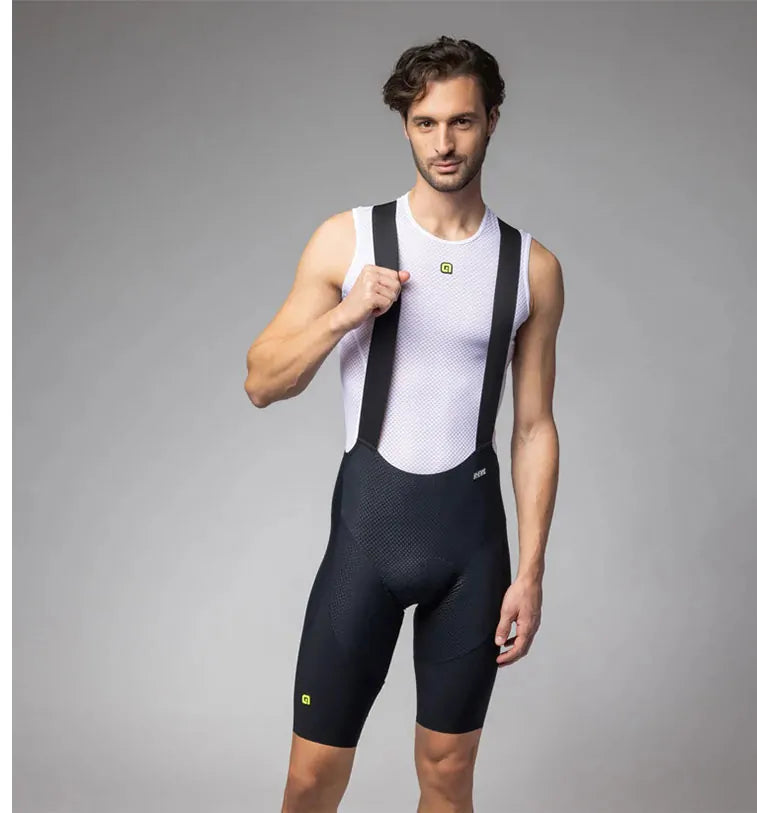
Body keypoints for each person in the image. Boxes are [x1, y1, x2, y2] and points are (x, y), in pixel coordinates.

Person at [244, 35, 563, 813]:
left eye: (461, 121)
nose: (443, 143)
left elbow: (533, 428)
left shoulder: (531, 268)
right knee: (312, 779)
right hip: (368, 538)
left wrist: (530, 571)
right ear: (406, 126)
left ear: (492, 120)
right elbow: (261, 381)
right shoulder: (348, 239)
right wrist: (345, 313)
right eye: (426, 123)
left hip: (471, 551)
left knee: (448, 776)